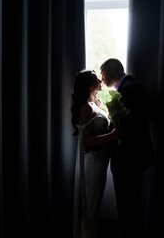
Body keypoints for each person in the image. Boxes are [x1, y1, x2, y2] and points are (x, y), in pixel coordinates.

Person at [100, 58, 155, 238]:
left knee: (128, 204)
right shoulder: (128, 88)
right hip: (131, 159)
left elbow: (126, 127)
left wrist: (108, 129)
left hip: (129, 160)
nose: (102, 78)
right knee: (130, 203)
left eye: (104, 73)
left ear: (114, 68)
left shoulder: (128, 89)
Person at [70, 70, 119, 238]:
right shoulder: (85, 107)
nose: (100, 80)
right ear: (89, 85)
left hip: (100, 161)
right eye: (95, 78)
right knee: (90, 207)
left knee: (94, 206)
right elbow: (86, 141)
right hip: (92, 163)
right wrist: (112, 136)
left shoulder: (96, 103)